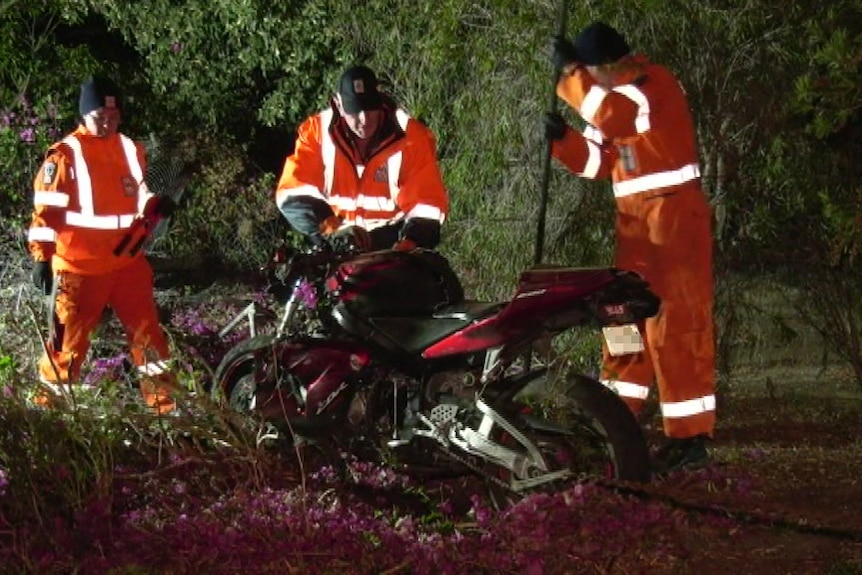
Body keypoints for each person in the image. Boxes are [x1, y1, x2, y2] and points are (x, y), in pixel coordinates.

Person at [544, 22, 716, 471]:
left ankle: (690, 438)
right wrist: (563, 142)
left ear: (604, 67)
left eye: (588, 73)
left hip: (675, 223)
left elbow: (614, 118)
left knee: (674, 327)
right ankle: (616, 421)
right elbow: (599, 162)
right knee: (622, 320)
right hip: (636, 226)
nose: (588, 83)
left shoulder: (648, 85)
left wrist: (568, 76)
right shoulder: (613, 98)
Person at [27, 75, 178, 414]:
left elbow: (136, 193)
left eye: (113, 116)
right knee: (66, 346)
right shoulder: (65, 155)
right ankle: (46, 414)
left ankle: (167, 410)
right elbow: (46, 211)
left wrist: (155, 203)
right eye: (100, 116)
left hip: (127, 264)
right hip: (80, 270)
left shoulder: (130, 148)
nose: (108, 122)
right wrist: (41, 258)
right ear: (84, 115)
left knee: (149, 339)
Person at [275, 65, 449, 252]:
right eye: (355, 111)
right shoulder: (317, 133)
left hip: (392, 244)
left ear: (380, 100)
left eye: (370, 108)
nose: (364, 119)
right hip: (337, 242)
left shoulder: (412, 137)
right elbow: (292, 192)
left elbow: (427, 203)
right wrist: (333, 229)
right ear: (339, 106)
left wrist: (411, 242)